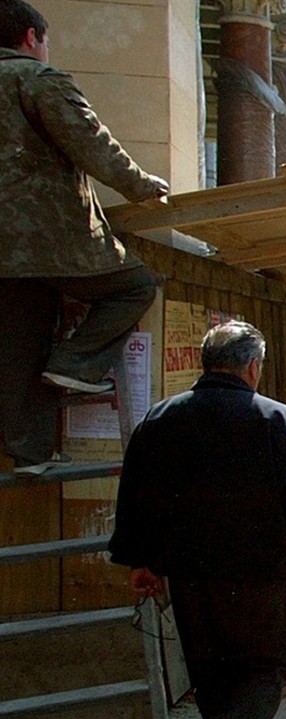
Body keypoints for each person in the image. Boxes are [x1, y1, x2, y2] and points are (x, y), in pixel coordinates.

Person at [108, 321, 286, 719]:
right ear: (253, 367)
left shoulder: (160, 420)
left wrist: (142, 561)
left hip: (189, 579)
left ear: (206, 364)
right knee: (269, 667)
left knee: (213, 677)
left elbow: (138, 500)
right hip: (258, 577)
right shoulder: (278, 421)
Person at [0, 0, 168, 475]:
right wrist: (139, 185)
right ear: (32, 37)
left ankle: (30, 454)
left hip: (4, 258)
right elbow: (90, 141)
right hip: (51, 239)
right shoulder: (36, 78)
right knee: (134, 286)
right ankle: (74, 364)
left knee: (18, 345)